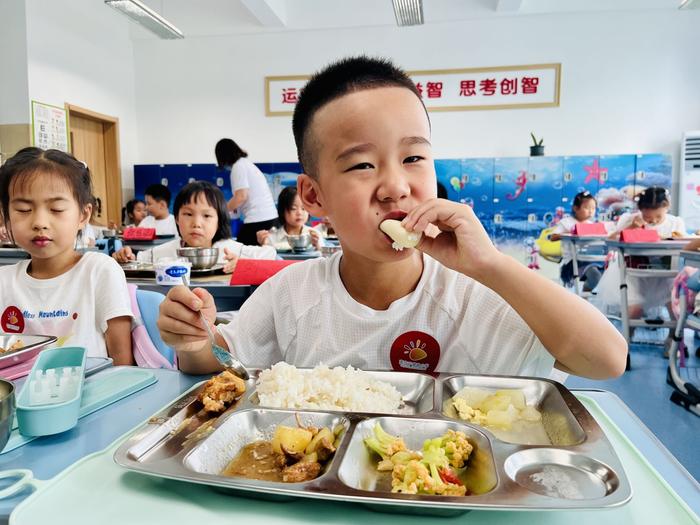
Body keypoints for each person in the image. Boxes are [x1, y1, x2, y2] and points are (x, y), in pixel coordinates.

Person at [158, 56, 626, 378]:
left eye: (414, 158)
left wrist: (490, 265)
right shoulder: (292, 294)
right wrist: (194, 339)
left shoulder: (476, 292)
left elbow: (605, 360)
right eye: (363, 165)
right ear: (314, 196)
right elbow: (218, 360)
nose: (396, 186)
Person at [0, 147, 133, 364]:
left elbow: (123, 366)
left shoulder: (99, 271)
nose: (39, 222)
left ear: (83, 215)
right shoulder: (4, 281)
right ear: (6, 216)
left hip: (94, 395)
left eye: (57, 209)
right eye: (24, 210)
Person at [113, 181, 276, 271]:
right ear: (176, 218)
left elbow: (271, 256)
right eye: (188, 214)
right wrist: (125, 256)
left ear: (219, 220)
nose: (197, 224)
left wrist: (244, 264)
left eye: (206, 216)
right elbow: (135, 260)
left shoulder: (231, 250)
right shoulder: (166, 251)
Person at [602, 187, 686, 320]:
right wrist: (631, 228)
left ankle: (673, 336)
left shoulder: (675, 223)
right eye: (647, 217)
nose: (653, 221)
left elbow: (682, 245)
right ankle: (626, 337)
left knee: (675, 302)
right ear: (640, 210)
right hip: (632, 270)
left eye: (658, 216)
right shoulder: (631, 219)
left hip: (665, 272)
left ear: (667, 207)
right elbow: (610, 240)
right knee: (635, 309)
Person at [215, 138, 277, 246]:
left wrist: (220, 211)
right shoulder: (246, 164)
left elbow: (241, 197)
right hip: (270, 217)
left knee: (240, 251)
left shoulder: (238, 166)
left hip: (258, 219)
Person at [550, 191, 604, 290]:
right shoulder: (567, 222)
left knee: (603, 272)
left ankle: (585, 296)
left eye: (593, 208)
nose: (591, 211)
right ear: (576, 208)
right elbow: (552, 237)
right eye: (587, 208)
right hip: (572, 262)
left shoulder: (592, 225)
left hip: (591, 259)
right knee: (595, 275)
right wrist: (570, 234)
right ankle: (583, 298)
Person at [256, 187, 321, 250]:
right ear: (282, 211)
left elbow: (324, 258)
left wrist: (317, 246)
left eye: (303, 208)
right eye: (293, 208)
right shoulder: (272, 238)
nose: (299, 213)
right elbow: (267, 258)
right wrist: (263, 244)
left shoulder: (315, 235)